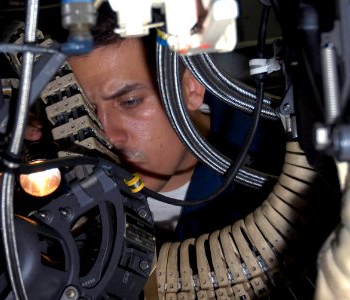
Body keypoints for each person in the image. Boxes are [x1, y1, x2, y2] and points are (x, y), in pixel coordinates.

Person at [27, 3, 286, 244]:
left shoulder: (277, 167)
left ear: (191, 88)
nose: (108, 135)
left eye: (129, 102)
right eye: (87, 110)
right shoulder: (52, 169)